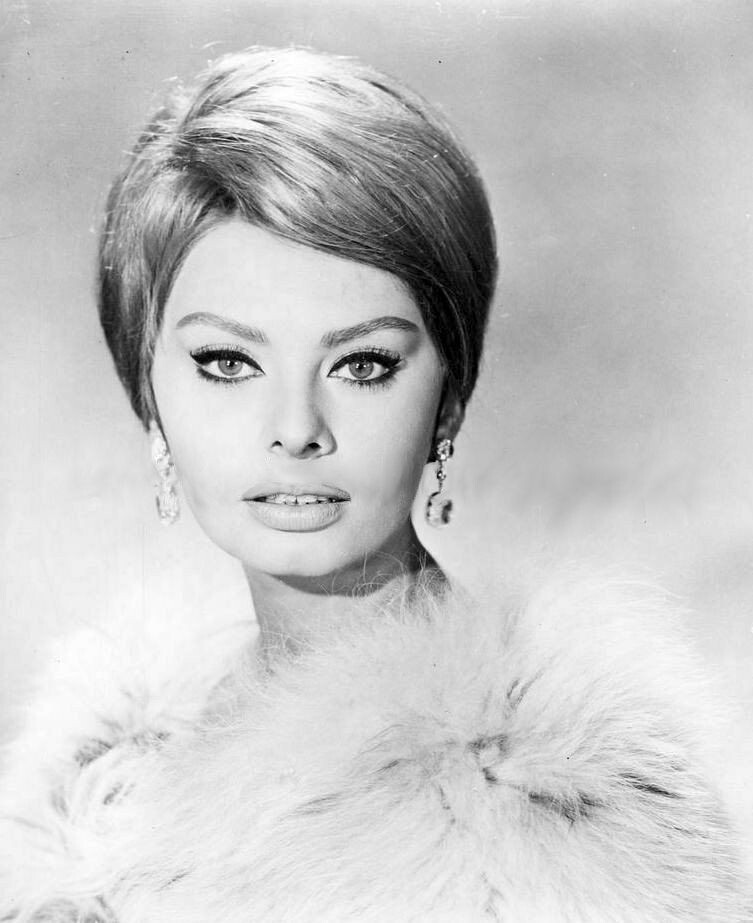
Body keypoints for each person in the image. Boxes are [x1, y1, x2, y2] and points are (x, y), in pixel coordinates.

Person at [0, 46, 750, 922]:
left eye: (361, 364)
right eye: (227, 361)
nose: (295, 427)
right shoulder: (92, 783)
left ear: (447, 397)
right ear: (148, 392)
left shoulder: (559, 813)